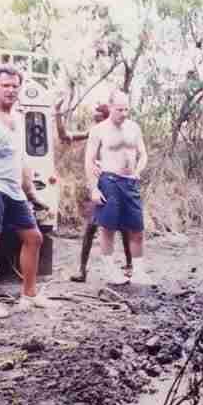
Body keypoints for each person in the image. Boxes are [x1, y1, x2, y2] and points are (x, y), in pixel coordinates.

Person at [0, 63, 56, 319]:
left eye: (15, 86)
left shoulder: (18, 117)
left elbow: (21, 159)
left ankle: (29, 295)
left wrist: (32, 194)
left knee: (34, 237)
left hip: (14, 188)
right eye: (5, 85)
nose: (11, 90)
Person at [54, 98, 133, 282]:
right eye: (94, 119)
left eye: (99, 118)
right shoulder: (94, 133)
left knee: (123, 226)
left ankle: (130, 265)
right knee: (91, 227)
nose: (95, 122)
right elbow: (64, 136)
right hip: (99, 185)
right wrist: (57, 112)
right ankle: (82, 271)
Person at [84, 89, 153, 285]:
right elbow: (89, 160)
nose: (124, 113)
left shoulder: (134, 127)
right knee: (108, 228)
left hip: (130, 182)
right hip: (109, 181)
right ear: (110, 107)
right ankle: (110, 270)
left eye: (126, 109)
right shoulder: (99, 130)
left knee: (137, 228)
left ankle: (138, 271)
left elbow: (143, 153)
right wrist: (94, 189)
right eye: (120, 109)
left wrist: (138, 170)